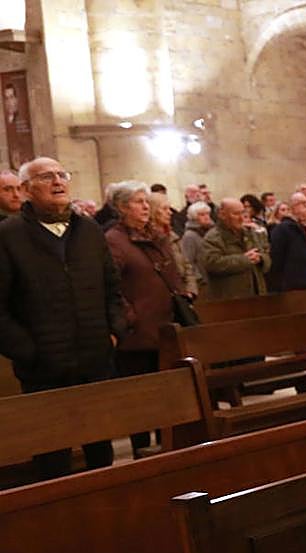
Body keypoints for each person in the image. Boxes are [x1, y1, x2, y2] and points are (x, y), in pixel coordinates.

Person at [0, 157, 125, 478]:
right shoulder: (9, 235)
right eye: (46, 177)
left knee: (100, 450)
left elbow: (112, 287)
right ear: (26, 190)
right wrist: (29, 351)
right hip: (43, 366)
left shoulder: (89, 229)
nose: (58, 181)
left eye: (62, 174)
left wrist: (113, 331)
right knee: (52, 457)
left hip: (94, 357)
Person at [104, 182, 189, 454]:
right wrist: (130, 317)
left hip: (164, 329)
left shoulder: (154, 236)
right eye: (138, 201)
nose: (145, 206)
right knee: (139, 401)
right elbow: (110, 285)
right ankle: (142, 452)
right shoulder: (113, 241)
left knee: (166, 397)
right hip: (138, 335)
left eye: (145, 201)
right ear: (121, 207)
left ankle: (169, 447)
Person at [202, 197, 270, 299]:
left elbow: (266, 254)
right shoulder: (213, 237)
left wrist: (260, 258)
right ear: (222, 215)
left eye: (242, 213)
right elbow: (212, 263)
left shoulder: (250, 233)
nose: (241, 218)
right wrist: (244, 260)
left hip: (257, 293)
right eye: (236, 214)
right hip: (231, 297)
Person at [268, 191, 306, 292]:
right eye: (301, 203)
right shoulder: (283, 229)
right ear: (292, 208)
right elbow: (277, 259)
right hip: (298, 284)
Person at [149, 190, 201, 298]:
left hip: (183, 293)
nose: (170, 212)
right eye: (165, 209)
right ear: (153, 212)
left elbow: (186, 264)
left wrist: (191, 290)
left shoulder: (172, 236)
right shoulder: (149, 238)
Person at [180, 201, 214, 296]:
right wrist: (200, 279)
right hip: (202, 283)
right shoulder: (190, 236)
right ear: (194, 217)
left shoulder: (211, 232)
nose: (206, 217)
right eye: (202, 215)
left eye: (207, 214)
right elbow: (188, 260)